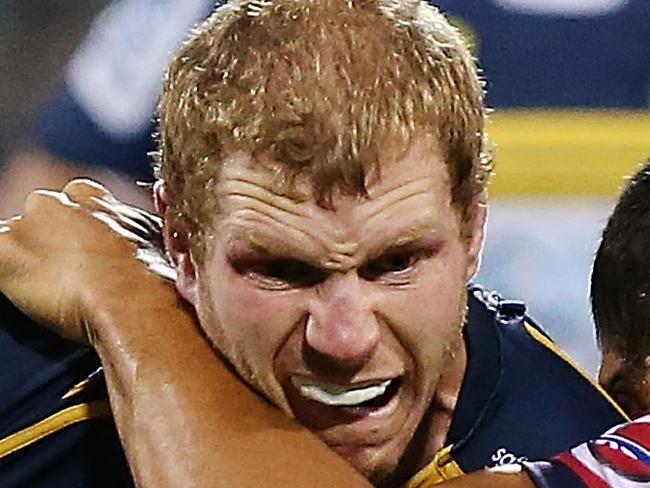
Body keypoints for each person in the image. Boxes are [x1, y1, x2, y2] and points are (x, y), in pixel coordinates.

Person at [0, 1, 625, 487]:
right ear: (182, 244)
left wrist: (127, 300)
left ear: (471, 234)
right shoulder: (25, 385)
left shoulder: (572, 449)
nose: (344, 340)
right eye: (281, 271)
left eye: (395, 263)